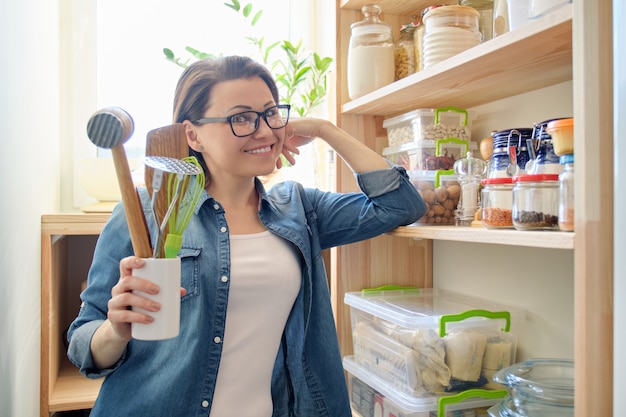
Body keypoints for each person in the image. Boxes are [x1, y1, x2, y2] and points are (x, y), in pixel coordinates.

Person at [67, 55, 426, 417]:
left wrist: (322, 129)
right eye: (240, 118)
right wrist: (115, 330)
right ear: (193, 135)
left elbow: (401, 204)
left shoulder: (301, 208)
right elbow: (83, 344)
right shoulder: (149, 210)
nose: (265, 131)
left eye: (271, 113)